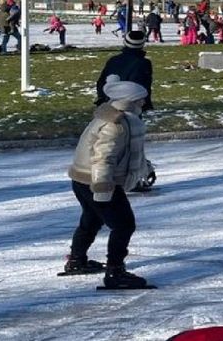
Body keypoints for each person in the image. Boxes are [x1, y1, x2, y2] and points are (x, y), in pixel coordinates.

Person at [65, 74, 152, 289]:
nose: (144, 103)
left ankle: (76, 260)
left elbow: (129, 152)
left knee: (92, 219)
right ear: (130, 101)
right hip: (97, 181)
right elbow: (103, 157)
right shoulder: (115, 125)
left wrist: (145, 167)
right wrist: (103, 187)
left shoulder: (117, 118)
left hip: (82, 178)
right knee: (124, 225)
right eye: (141, 100)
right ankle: (115, 272)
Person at [94, 31, 153, 112]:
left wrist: (102, 98)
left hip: (110, 101)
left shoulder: (113, 60)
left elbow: (101, 81)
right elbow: (143, 86)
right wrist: (146, 104)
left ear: (125, 42)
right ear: (142, 45)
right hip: (131, 104)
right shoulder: (144, 63)